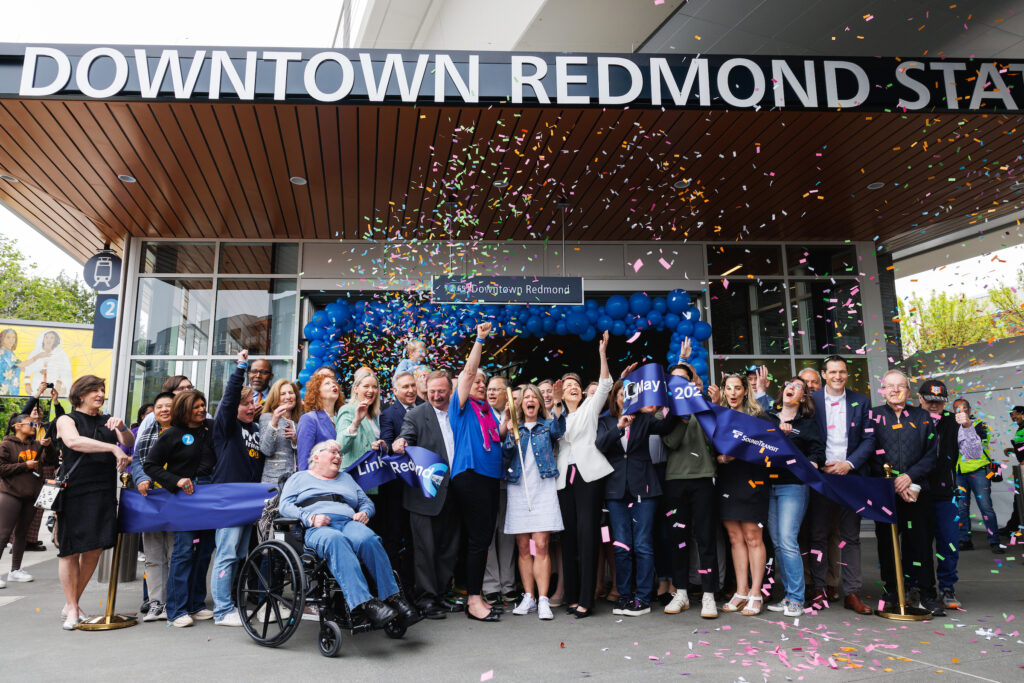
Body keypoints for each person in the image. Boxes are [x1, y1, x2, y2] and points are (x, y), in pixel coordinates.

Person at [279, 440, 420, 628]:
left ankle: (394, 598)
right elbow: (285, 506)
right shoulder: (299, 478)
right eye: (333, 452)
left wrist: (365, 513)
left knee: (368, 539)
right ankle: (366, 603)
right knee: (335, 540)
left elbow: (366, 502)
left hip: (348, 522)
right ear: (316, 456)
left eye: (340, 453)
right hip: (317, 528)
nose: (338, 456)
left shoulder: (346, 478)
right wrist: (310, 518)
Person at [54, 375, 133, 630]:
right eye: (94, 391)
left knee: (94, 548)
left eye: (102, 390)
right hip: (76, 490)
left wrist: (121, 428)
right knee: (70, 550)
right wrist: (111, 449)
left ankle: (72, 604)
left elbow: (129, 444)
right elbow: (73, 442)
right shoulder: (66, 419)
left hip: (102, 490)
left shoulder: (107, 420)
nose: (100, 394)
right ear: (80, 394)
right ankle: (72, 609)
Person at [595, 379, 678, 617]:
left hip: (645, 488)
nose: (624, 397)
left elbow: (666, 426)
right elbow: (599, 445)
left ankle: (642, 597)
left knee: (642, 544)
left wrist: (669, 401)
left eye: (628, 394)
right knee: (621, 545)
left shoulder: (644, 419)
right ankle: (623, 595)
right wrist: (619, 427)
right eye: (620, 394)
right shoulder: (606, 421)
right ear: (615, 398)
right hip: (615, 490)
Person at [869, 369, 943, 616]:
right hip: (885, 492)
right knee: (887, 545)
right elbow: (869, 452)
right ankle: (892, 591)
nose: (895, 390)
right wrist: (892, 482)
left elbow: (932, 454)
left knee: (920, 543)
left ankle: (927, 593)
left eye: (900, 386)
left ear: (909, 391)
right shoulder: (873, 416)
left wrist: (910, 478)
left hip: (917, 491)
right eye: (889, 386)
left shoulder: (924, 416)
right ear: (883, 390)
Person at [143, 390, 217, 628]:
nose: (201, 409)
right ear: (184, 408)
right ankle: (176, 609)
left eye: (203, 405)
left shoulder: (210, 429)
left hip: (208, 495)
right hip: (185, 496)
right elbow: (150, 465)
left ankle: (196, 604)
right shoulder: (172, 434)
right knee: (183, 551)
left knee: (205, 550)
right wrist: (176, 480)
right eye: (196, 406)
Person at [808, 355, 875, 615]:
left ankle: (852, 593)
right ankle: (819, 589)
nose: (838, 376)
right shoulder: (811, 402)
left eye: (842, 372)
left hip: (851, 475)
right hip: (822, 476)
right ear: (823, 374)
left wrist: (849, 463)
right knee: (818, 534)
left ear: (847, 375)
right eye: (833, 372)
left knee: (851, 537)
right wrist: (818, 462)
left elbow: (869, 440)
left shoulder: (862, 400)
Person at [447, 322, 505, 622]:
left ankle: (475, 594)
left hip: (491, 479)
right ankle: (473, 600)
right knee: (478, 540)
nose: (480, 385)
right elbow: (468, 374)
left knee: (483, 539)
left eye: (485, 383)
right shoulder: (461, 407)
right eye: (477, 382)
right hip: (470, 476)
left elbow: (497, 443)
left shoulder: (489, 414)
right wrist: (480, 340)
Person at [555, 331, 613, 618]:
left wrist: (602, 354)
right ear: (561, 393)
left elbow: (605, 384)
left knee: (588, 536)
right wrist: (554, 407)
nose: (573, 387)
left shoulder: (590, 409)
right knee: (569, 538)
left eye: (575, 384)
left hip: (589, 477)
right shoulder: (556, 417)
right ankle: (572, 595)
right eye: (567, 386)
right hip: (564, 480)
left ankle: (587, 600)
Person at [392, 370, 459, 620]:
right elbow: (406, 435)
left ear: (450, 390)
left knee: (449, 548)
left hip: (454, 492)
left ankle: (441, 594)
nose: (436, 396)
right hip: (425, 494)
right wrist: (400, 443)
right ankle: (426, 599)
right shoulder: (416, 414)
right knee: (425, 550)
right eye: (431, 392)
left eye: (441, 391)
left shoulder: (457, 413)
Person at [501, 384, 565, 621]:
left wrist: (557, 403)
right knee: (523, 547)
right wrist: (508, 432)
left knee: (541, 545)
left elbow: (560, 432)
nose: (529, 400)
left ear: (539, 402)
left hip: (543, 488)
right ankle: (528, 597)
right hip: (518, 488)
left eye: (533, 397)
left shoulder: (547, 425)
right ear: (521, 404)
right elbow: (506, 455)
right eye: (525, 397)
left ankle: (544, 599)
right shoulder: (514, 427)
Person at [661, 360, 719, 619]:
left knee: (706, 538)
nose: (678, 384)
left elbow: (717, 439)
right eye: (673, 380)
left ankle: (709, 595)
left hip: (704, 478)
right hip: (674, 480)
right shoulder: (665, 410)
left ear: (691, 382)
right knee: (677, 539)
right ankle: (681, 592)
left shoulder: (705, 406)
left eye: (683, 379)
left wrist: (708, 407)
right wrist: (680, 418)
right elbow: (670, 442)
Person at [210, 350, 264, 627]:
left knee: (240, 555)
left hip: (249, 501)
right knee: (227, 553)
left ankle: (233, 604)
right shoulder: (226, 426)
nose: (250, 406)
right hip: (228, 500)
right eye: (245, 403)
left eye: (252, 402)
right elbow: (229, 401)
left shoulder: (255, 428)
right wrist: (240, 369)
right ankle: (221, 611)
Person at [765, 377, 825, 618]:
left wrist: (811, 462)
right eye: (789, 383)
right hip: (767, 486)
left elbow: (817, 451)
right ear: (783, 391)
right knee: (778, 542)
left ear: (804, 397)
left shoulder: (807, 422)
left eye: (799, 386)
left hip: (794, 485)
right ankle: (789, 595)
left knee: (788, 540)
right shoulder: (767, 417)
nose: (792, 387)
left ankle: (797, 599)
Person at [713, 373, 769, 617]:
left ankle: (756, 593)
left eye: (738, 388)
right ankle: (741, 590)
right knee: (735, 538)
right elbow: (711, 447)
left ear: (746, 390)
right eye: (729, 388)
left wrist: (740, 453)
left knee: (752, 537)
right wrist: (721, 457)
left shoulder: (759, 416)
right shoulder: (719, 416)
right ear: (724, 391)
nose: (733, 393)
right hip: (727, 480)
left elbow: (769, 450)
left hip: (752, 481)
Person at [916, 379, 964, 610]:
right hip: (915, 492)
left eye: (939, 402)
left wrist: (968, 428)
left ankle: (947, 587)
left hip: (945, 493)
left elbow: (972, 451)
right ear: (920, 398)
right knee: (918, 544)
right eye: (930, 401)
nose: (934, 406)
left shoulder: (954, 422)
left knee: (948, 543)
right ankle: (918, 586)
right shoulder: (910, 418)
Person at [131, 391, 175, 621]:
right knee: (152, 554)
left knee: (174, 552)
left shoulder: (186, 433)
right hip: (150, 499)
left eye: (169, 406)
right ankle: (157, 602)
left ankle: (174, 603)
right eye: (160, 407)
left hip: (176, 499)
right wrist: (140, 479)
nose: (164, 410)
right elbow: (137, 460)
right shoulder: (147, 432)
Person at [377, 370, 423, 590]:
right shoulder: (388, 414)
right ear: (395, 391)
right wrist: (393, 444)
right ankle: (396, 588)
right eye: (405, 387)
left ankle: (416, 587)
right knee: (395, 537)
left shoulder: (426, 407)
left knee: (418, 539)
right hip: (398, 487)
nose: (411, 390)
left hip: (422, 485)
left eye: (413, 385)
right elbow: (386, 443)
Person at [0, 413, 56, 589]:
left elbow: (52, 461)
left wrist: (49, 446)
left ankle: (15, 570)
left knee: (22, 534)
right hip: (10, 493)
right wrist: (25, 466)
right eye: (30, 423)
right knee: (3, 534)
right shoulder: (6, 445)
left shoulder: (37, 444)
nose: (34, 426)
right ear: (17, 426)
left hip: (31, 495)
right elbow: (1, 469)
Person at [483, 374, 517, 606]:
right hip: (486, 482)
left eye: (497, 389)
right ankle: (491, 585)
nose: (491, 393)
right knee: (487, 535)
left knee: (507, 535)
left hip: (510, 483)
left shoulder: (516, 414)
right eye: (489, 389)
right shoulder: (481, 415)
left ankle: (509, 585)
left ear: (507, 393)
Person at [953, 399, 1000, 555]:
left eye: (963, 408)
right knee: (960, 508)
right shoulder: (951, 425)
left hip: (978, 470)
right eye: (956, 408)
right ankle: (964, 540)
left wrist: (967, 427)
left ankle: (995, 541)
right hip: (959, 472)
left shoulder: (980, 424)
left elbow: (978, 445)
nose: (960, 411)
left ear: (969, 409)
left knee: (986, 507)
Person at [336, 367, 387, 477]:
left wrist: (382, 447)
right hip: (354, 476)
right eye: (366, 386)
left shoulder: (374, 415)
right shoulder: (347, 409)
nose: (371, 390)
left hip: (372, 475)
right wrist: (356, 422)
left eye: (374, 387)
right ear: (356, 388)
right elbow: (340, 446)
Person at [297, 373, 344, 471]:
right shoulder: (309, 419)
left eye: (334, 383)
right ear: (317, 392)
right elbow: (304, 460)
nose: (334, 385)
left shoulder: (342, 418)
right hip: (319, 480)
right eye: (327, 383)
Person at [258, 379, 301, 484]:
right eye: (283, 394)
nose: (288, 397)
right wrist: (274, 422)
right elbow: (266, 450)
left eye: (291, 393)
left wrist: (296, 441)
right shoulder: (267, 417)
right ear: (276, 398)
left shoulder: (301, 420)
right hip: (274, 480)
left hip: (297, 480)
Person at [22, 329, 73, 396]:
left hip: (55, 386)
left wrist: (59, 382)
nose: (49, 340)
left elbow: (66, 370)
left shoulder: (60, 353)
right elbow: (28, 369)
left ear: (55, 340)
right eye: (46, 337)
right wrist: (27, 384)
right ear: (43, 339)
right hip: (38, 385)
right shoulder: (35, 352)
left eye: (52, 338)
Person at [999, 406, 1024, 537]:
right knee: (1018, 500)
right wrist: (1012, 449)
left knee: (1020, 499)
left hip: (1023, 469)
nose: (1013, 418)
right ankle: (1013, 527)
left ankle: (1013, 527)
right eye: (1012, 416)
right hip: (1021, 469)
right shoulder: (1020, 429)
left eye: (1015, 415)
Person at [0, 328, 21, 395]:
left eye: (13, 338)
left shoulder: (11, 353)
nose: (11, 340)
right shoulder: (3, 352)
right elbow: (18, 365)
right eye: (8, 337)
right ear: (2, 339)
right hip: (4, 390)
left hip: (11, 390)